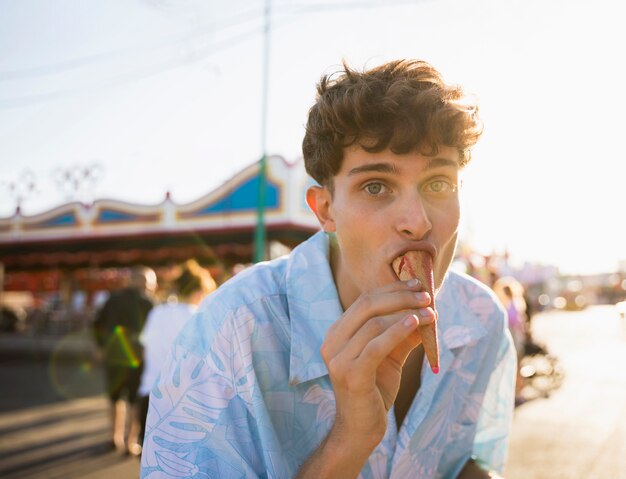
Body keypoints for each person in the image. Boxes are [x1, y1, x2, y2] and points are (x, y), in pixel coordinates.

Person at [141, 59, 516, 478]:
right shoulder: (229, 334)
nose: (418, 220)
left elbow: (470, 462)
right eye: (376, 186)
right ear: (325, 210)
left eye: (438, 184)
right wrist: (349, 440)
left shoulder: (481, 321)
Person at [135, 260, 217, 455]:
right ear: (199, 291)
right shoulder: (199, 317)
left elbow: (145, 348)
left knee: (151, 464)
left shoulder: (157, 312)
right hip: (185, 403)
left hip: (150, 394)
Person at [94, 266, 156, 453]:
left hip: (114, 356)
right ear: (143, 282)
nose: (152, 287)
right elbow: (153, 333)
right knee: (134, 400)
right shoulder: (148, 303)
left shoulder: (112, 299)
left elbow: (97, 323)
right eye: (151, 283)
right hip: (137, 357)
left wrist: (101, 346)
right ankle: (131, 442)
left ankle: (115, 437)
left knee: (115, 398)